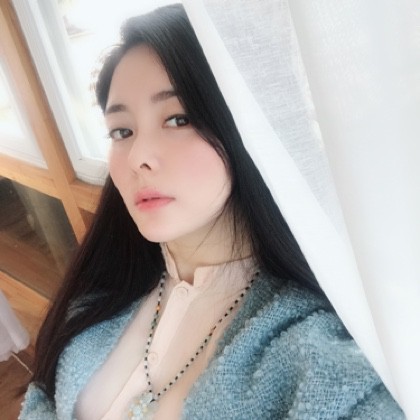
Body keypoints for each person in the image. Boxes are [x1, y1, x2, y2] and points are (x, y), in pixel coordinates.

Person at [19, 4, 404, 420]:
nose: (137, 157)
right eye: (122, 131)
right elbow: (43, 397)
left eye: (178, 119)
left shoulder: (317, 351)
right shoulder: (102, 292)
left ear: (247, 128)